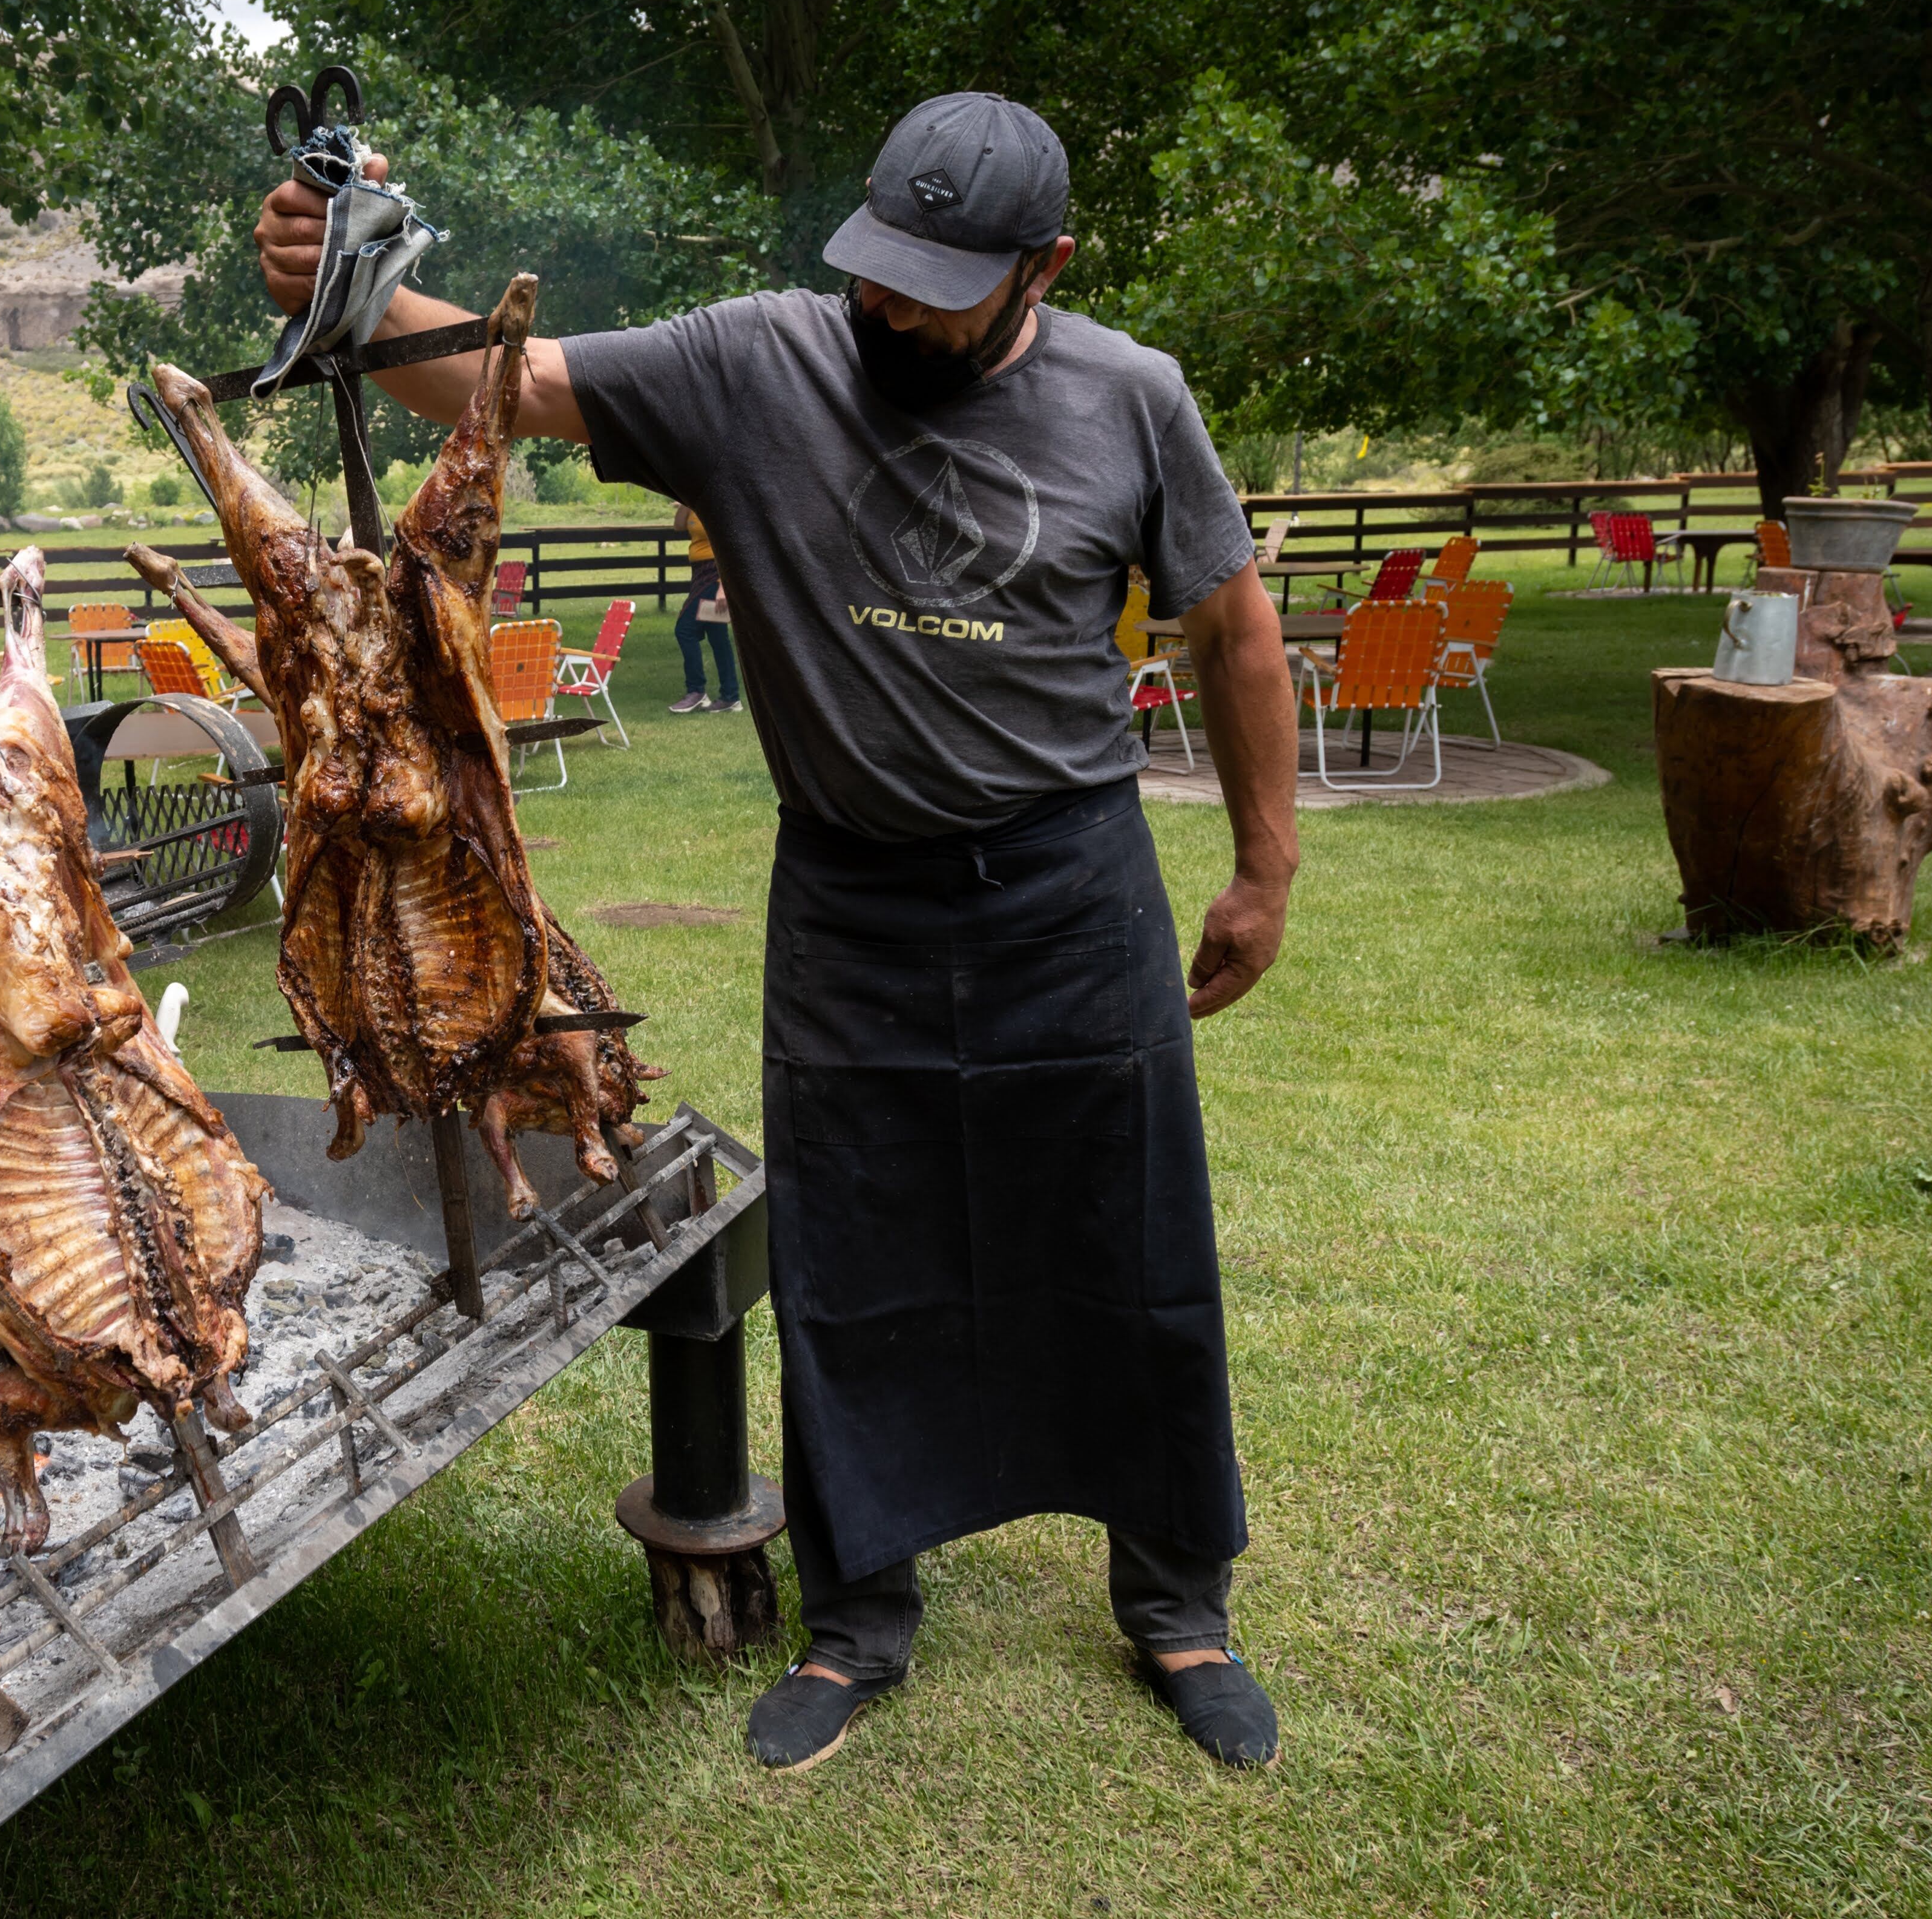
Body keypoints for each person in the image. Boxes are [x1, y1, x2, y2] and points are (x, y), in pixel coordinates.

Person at [258, 92, 1301, 1772]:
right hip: (854, 895)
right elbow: (502, 383)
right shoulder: (761, 361)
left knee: (1125, 1240)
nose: (892, 311)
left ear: (1043, 267)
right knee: (852, 1250)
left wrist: (1264, 867)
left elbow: (1232, 627)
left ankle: (1177, 1599)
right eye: (878, 270)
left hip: (1070, 886)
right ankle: (860, 1615)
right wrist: (350, 283)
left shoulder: (1134, 398)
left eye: (939, 288)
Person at [670, 501, 740, 713]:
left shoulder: (717, 505)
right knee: (718, 637)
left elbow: (730, 547)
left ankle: (697, 691)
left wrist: (723, 587)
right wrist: (684, 499)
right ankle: (731, 697)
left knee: (684, 630)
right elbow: (679, 525)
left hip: (714, 574)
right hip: (699, 573)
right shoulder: (693, 504)